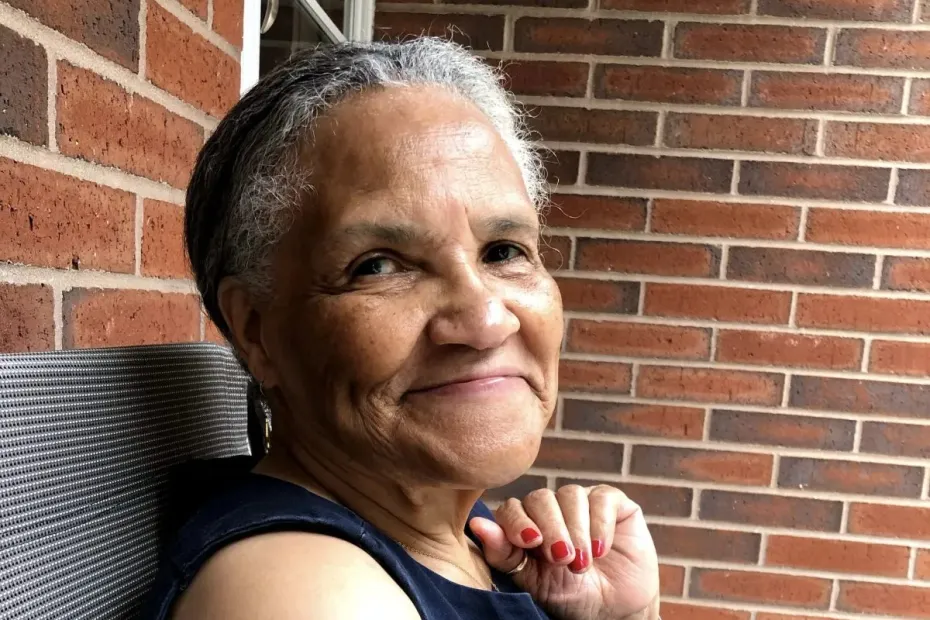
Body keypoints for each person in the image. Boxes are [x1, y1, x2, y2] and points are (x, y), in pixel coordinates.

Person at [145, 38, 659, 620]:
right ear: (257, 330)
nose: (486, 320)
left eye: (503, 250)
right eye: (379, 265)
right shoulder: (313, 595)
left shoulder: (463, 532)